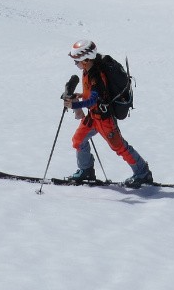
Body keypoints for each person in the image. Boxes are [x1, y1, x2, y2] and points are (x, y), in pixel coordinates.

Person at [64, 39, 153, 187]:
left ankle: (143, 173)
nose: (76, 64)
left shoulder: (96, 76)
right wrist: (80, 96)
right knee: (78, 140)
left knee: (119, 147)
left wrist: (76, 104)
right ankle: (86, 170)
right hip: (93, 117)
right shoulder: (88, 71)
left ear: (85, 60)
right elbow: (92, 95)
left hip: (104, 120)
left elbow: (94, 99)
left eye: (76, 61)